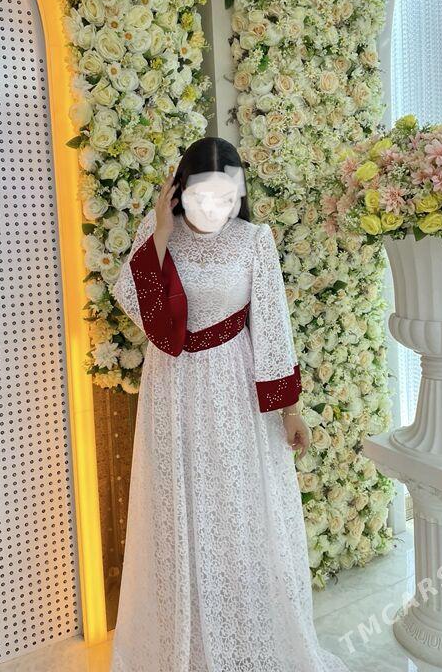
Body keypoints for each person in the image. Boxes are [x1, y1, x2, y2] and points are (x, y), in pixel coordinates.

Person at [109, 137, 349, 672]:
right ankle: (183, 639)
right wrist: (161, 233)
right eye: (202, 195)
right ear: (180, 191)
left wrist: (288, 408)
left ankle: (244, 633)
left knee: (235, 505)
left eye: (225, 196)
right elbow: (135, 304)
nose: (214, 207)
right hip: (172, 386)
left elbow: (272, 323)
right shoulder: (158, 233)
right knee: (178, 503)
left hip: (232, 387)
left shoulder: (253, 240)